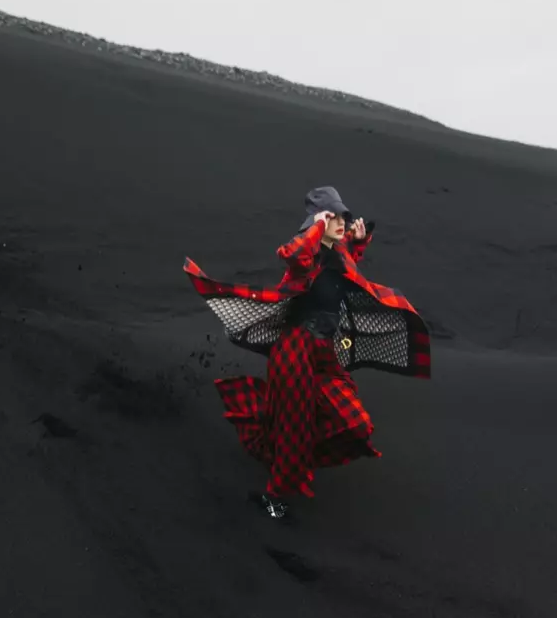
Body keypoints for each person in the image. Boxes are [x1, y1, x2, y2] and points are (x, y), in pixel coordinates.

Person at [184, 186, 431, 521]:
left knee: (356, 424)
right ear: (318, 220)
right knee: (294, 426)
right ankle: (273, 495)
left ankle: (280, 446)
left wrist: (357, 243)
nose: (341, 220)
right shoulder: (306, 258)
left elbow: (342, 276)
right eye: (334, 216)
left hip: (326, 353)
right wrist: (315, 225)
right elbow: (290, 253)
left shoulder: (338, 255)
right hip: (295, 351)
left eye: (343, 215)